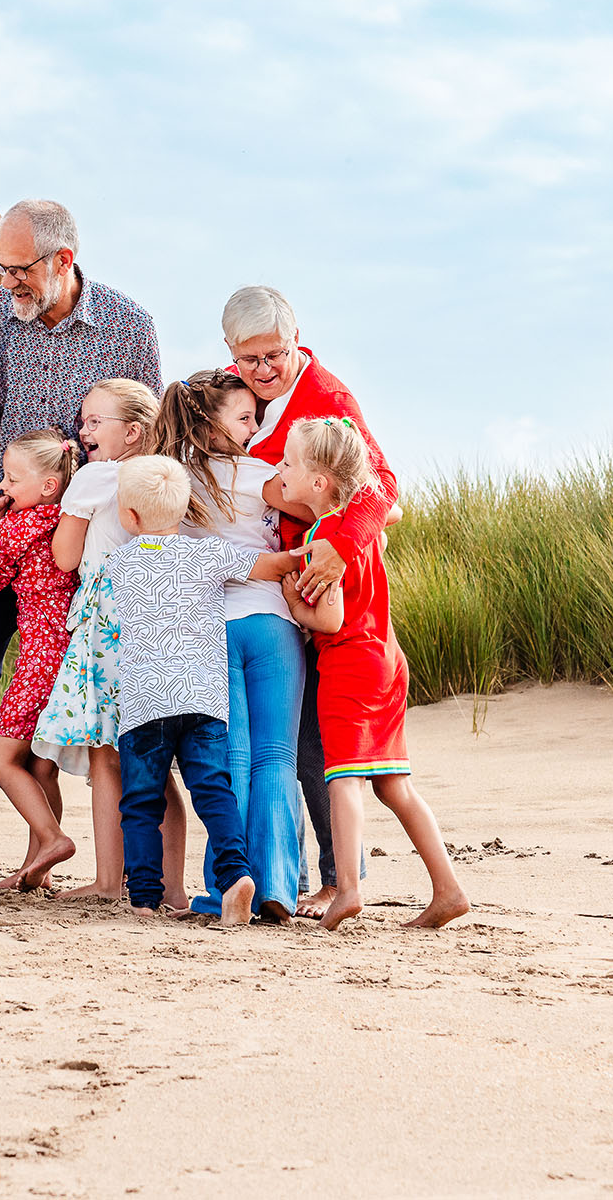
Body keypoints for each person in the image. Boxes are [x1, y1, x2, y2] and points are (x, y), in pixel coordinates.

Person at [0, 200, 161, 880]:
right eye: (0, 267)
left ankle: (89, 863)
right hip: (2, 536)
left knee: (74, 716)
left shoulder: (128, 325)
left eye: (20, 269)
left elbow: (149, 438)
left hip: (83, 557)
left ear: (63, 260)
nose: (7, 282)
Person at [222, 284, 398, 920]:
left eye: (275, 355)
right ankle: (286, 873)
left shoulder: (328, 399)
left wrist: (340, 548)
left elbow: (383, 488)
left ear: (296, 341)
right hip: (268, 587)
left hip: (319, 581)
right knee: (286, 739)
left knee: (317, 741)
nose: (264, 370)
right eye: (249, 359)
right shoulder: (233, 390)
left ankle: (338, 877)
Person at [270, 417, 470, 931]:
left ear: (319, 482)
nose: (279, 471)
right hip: (386, 660)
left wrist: (293, 603)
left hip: (349, 665)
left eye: (288, 463)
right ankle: (448, 889)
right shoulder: (364, 531)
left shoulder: (323, 539)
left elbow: (330, 620)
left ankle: (349, 890)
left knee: (341, 780)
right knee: (395, 786)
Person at [100, 456, 302, 923]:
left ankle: (145, 898)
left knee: (140, 803)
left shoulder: (120, 563)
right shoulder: (209, 553)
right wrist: (313, 550)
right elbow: (272, 566)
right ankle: (235, 875)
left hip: (146, 703)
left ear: (129, 516)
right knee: (214, 790)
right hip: (204, 699)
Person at [155, 369, 304, 924]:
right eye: (243, 418)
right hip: (270, 620)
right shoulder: (255, 473)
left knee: (231, 759)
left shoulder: (172, 482)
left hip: (209, 629)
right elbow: (314, 502)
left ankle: (228, 887)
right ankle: (278, 887)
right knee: (277, 757)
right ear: (206, 424)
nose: (253, 427)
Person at [36, 379, 159, 901]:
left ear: (132, 432)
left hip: (105, 624)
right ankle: (166, 884)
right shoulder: (164, 476)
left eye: (94, 422)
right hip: (153, 620)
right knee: (152, 757)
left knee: (106, 753)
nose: (82, 430)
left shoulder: (94, 478)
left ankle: (109, 880)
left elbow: (65, 557)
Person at [0, 429, 81, 892]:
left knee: (1, 762)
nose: (3, 486)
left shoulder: (19, 525)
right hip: (70, 655)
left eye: (11, 478)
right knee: (41, 765)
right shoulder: (67, 517)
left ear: (47, 485)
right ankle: (35, 868)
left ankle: (53, 838)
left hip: (39, 658)